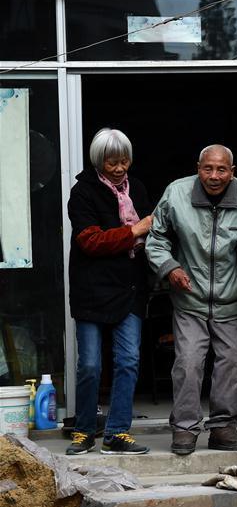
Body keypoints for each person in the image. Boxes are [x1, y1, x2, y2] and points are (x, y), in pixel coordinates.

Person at [146, 144, 237, 455]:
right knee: (188, 363)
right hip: (190, 299)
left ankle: (223, 427)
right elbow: (156, 238)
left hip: (231, 299)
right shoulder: (176, 194)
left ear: (232, 172)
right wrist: (170, 268)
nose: (214, 176)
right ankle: (185, 428)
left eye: (221, 170)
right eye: (207, 168)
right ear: (198, 167)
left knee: (229, 365)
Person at [66, 128, 153, 455]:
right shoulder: (83, 193)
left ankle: (117, 432)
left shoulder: (139, 189)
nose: (119, 168)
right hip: (91, 291)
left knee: (128, 361)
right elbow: (90, 241)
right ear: (98, 162)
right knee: (89, 365)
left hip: (130, 289)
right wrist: (136, 229)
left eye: (124, 161)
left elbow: (154, 237)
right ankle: (84, 431)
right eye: (111, 162)